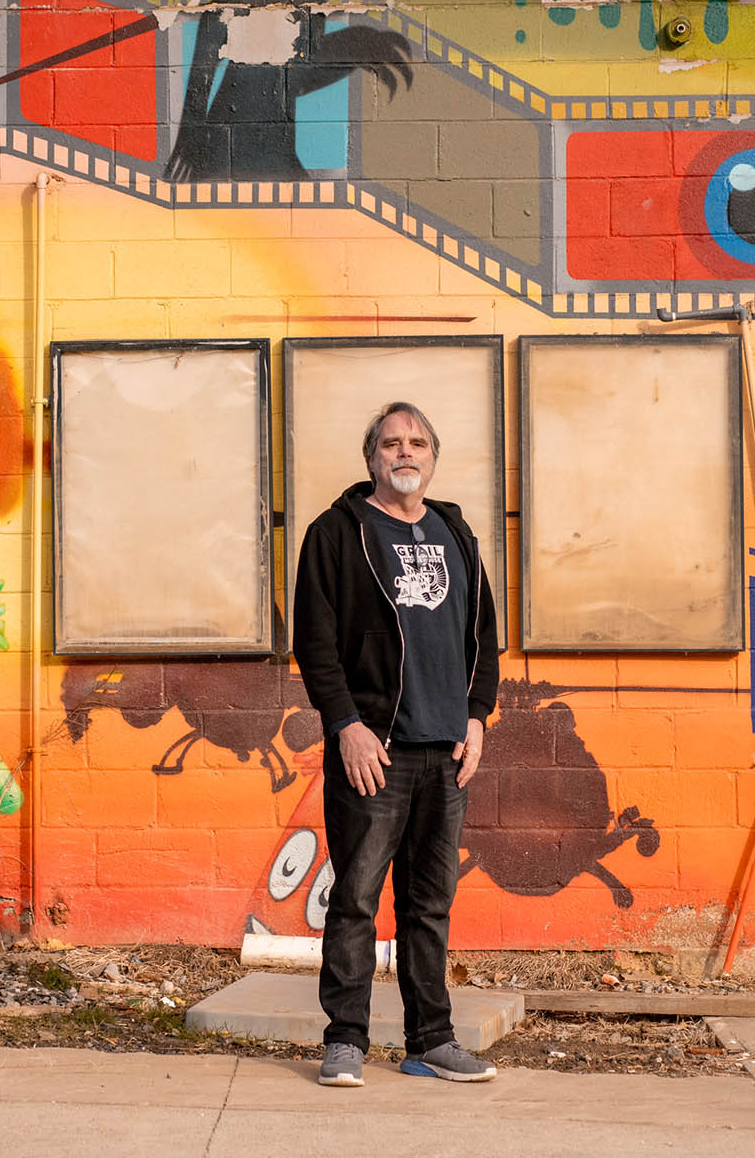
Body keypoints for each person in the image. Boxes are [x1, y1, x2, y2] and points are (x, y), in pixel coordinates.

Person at [292, 400, 501, 1086]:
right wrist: (346, 724)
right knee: (354, 896)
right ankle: (345, 1039)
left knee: (429, 905)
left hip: (446, 752)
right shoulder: (337, 534)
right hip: (375, 750)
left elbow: (483, 642)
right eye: (390, 443)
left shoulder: (457, 534)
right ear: (371, 458)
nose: (404, 453)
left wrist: (476, 718)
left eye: (416, 443)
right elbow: (315, 646)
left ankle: (429, 1040)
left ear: (432, 456)